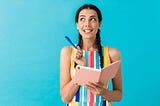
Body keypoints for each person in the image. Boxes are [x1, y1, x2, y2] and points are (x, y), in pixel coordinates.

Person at [60, 4, 122, 106]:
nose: (87, 24)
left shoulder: (112, 53)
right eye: (82, 19)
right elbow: (65, 98)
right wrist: (81, 70)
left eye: (92, 19)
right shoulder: (68, 52)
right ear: (77, 24)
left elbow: (119, 95)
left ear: (99, 24)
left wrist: (104, 93)